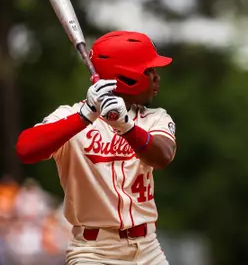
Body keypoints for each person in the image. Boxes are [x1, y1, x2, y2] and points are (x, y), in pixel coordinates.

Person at [15, 31, 177, 265]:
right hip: (92, 251)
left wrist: (126, 126)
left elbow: (162, 156)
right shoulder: (70, 117)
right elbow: (25, 149)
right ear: (128, 77)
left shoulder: (154, 118)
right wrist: (84, 116)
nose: (156, 78)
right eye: (149, 71)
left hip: (147, 248)